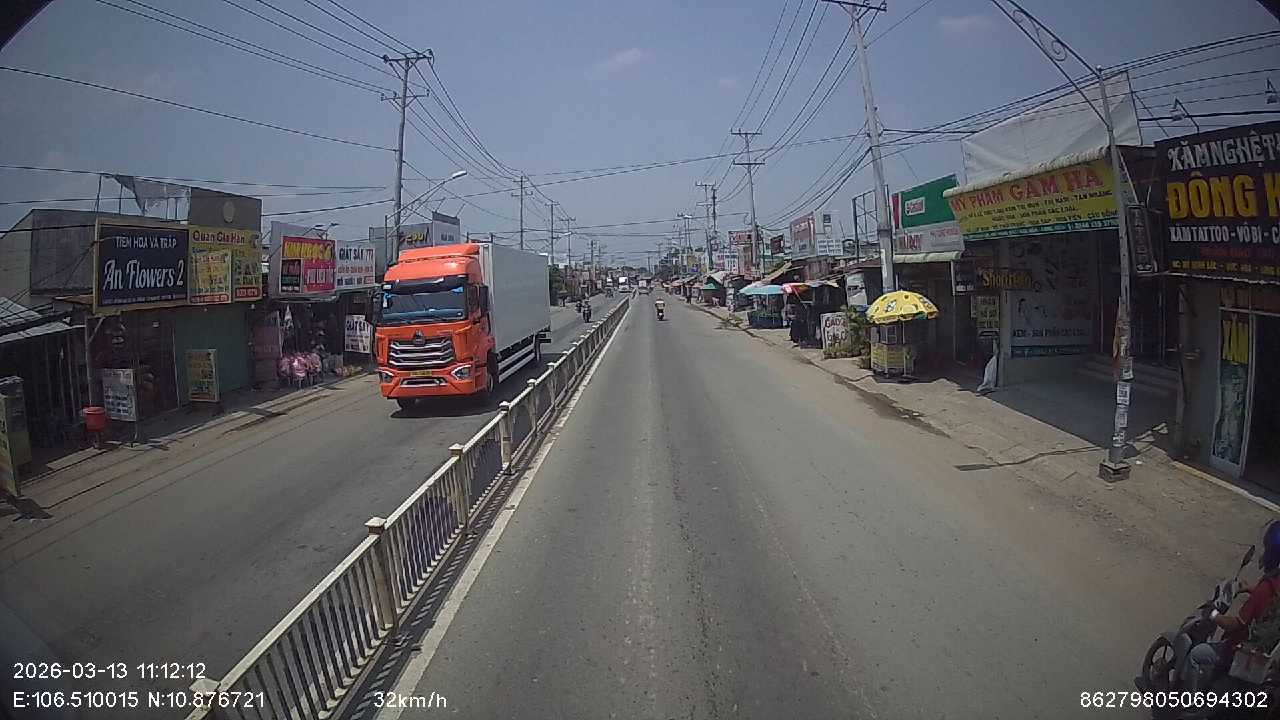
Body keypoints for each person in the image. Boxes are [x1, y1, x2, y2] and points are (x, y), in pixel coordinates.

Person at [1185, 521, 1280, 692]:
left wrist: (1213, 615)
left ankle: (1189, 701)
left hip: (1239, 652)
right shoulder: (1272, 586)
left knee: (1196, 654)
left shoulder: (1264, 588)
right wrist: (1250, 589)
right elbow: (1271, 600)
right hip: (1264, 657)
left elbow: (1235, 624)